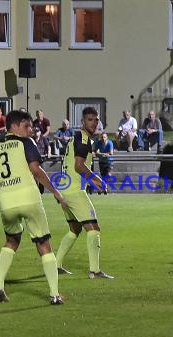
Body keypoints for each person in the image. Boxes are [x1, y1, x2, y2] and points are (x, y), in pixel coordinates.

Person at [0, 110, 67, 305]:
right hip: (28, 198)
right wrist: (56, 192)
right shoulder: (25, 143)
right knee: (44, 245)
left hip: (5, 201)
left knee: (11, 240)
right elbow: (36, 170)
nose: (31, 130)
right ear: (14, 126)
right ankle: (54, 294)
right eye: (27, 126)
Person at [55, 106, 114, 280]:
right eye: (90, 119)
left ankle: (56, 265)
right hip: (74, 190)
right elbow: (78, 165)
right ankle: (95, 271)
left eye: (96, 120)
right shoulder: (83, 138)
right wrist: (97, 181)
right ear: (82, 121)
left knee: (74, 229)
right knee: (94, 228)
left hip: (64, 189)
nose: (94, 123)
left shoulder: (76, 138)